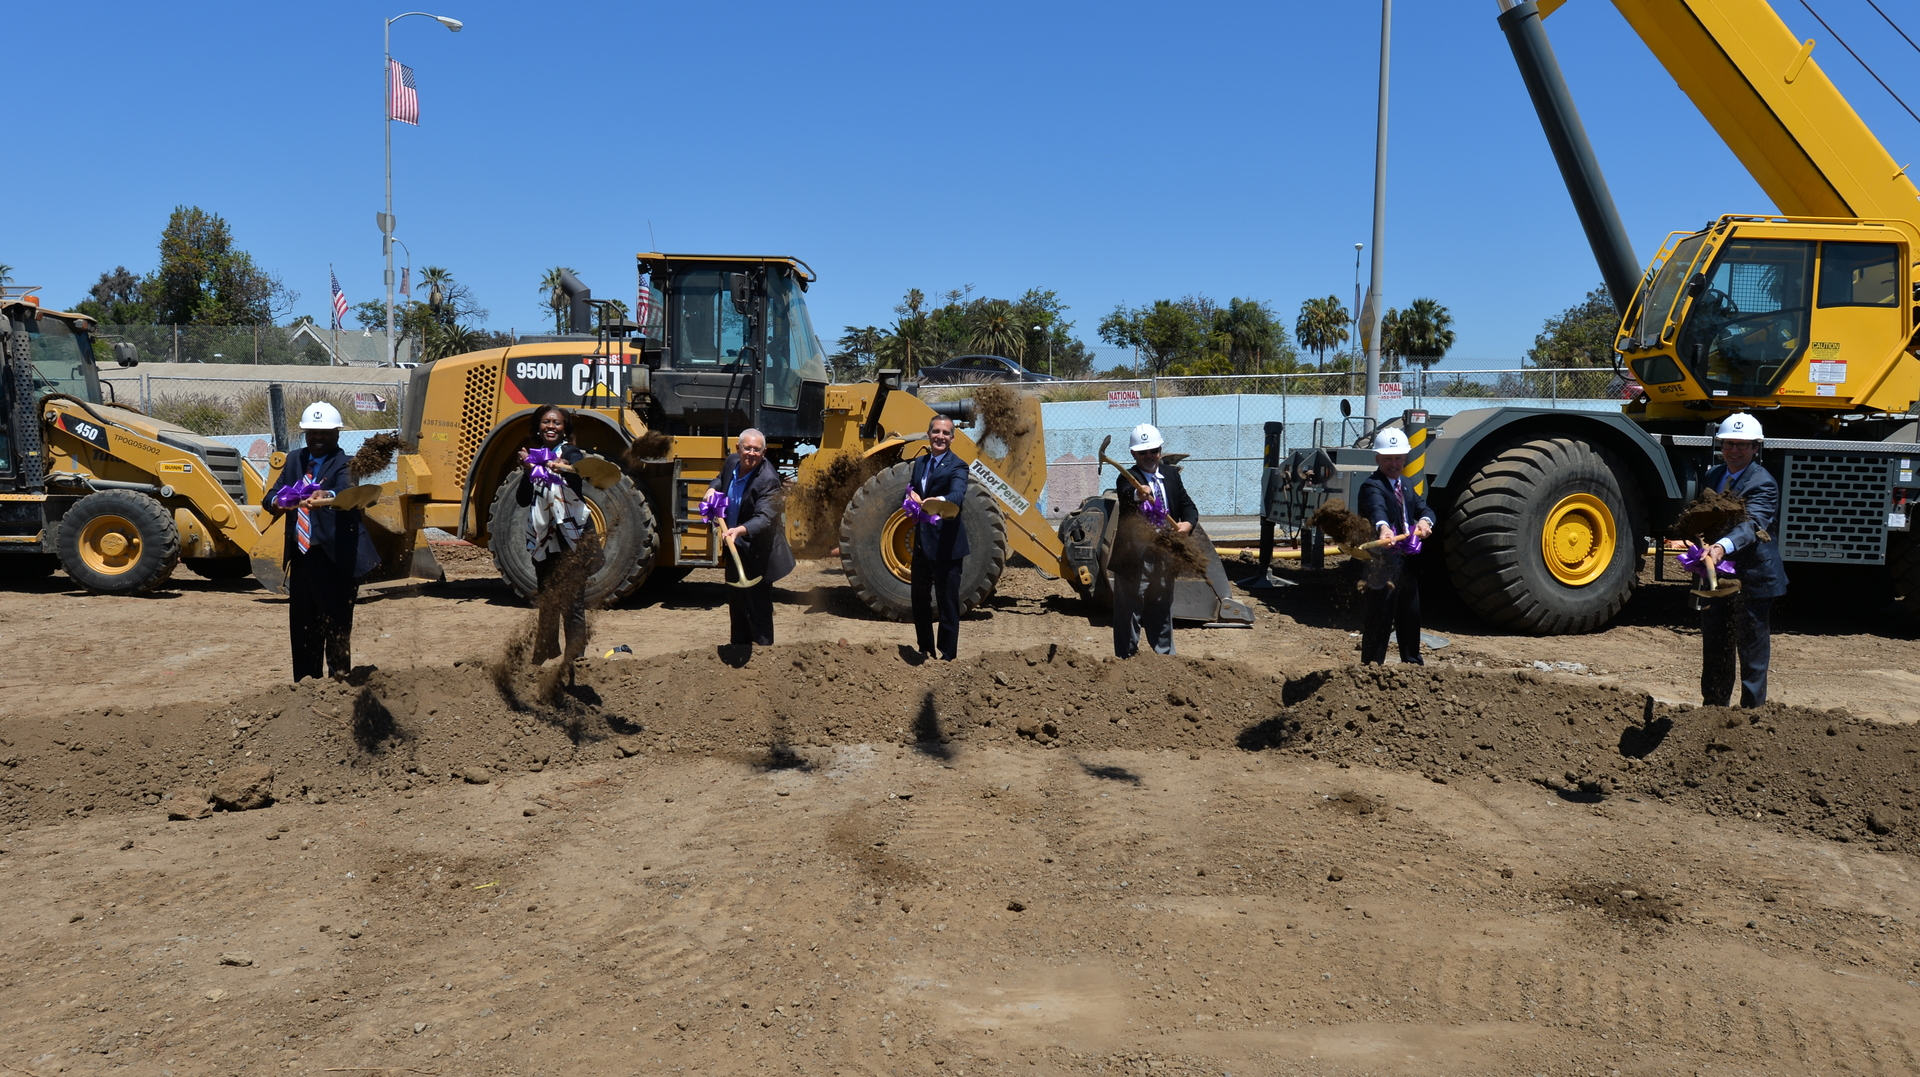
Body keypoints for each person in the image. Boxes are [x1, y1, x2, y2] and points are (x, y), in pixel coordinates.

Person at [265, 402, 363, 682]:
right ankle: (305, 686)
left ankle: (338, 683)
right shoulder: (295, 460)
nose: (318, 438)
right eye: (312, 432)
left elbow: (346, 491)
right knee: (303, 626)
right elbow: (270, 495)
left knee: (335, 624)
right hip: (302, 557)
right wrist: (278, 502)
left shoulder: (346, 464)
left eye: (325, 433)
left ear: (337, 434)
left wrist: (325, 494)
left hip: (334, 559)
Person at [1700, 412, 1787, 707]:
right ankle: (1713, 708)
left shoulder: (1763, 484)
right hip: (1718, 576)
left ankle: (1751, 715)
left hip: (1754, 578)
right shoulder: (1714, 475)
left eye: (1741, 445)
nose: (1733, 450)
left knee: (1751, 650)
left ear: (1755, 448)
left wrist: (1722, 547)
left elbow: (1752, 525)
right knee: (1716, 644)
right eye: (1728, 444)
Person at [516, 404, 597, 666]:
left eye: (557, 423)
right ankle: (542, 656)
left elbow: (577, 472)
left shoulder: (570, 453)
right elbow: (522, 499)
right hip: (545, 539)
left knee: (572, 602)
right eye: (546, 422)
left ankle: (576, 661)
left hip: (573, 539)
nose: (551, 426)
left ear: (565, 429)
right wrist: (528, 471)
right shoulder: (533, 459)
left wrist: (563, 466)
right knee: (548, 599)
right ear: (538, 427)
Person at [1111, 422, 1198, 658]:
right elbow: (1127, 495)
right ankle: (1126, 660)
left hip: (1166, 552)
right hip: (1135, 556)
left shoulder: (1171, 475)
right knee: (1129, 611)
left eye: (1153, 451)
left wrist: (1187, 525)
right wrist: (1140, 494)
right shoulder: (1128, 478)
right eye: (1143, 452)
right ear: (1133, 454)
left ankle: (1165, 660)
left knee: (1161, 607)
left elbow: (1189, 506)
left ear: (1160, 450)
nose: (1149, 456)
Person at [1356, 426, 1435, 666]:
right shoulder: (1372, 486)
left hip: (1406, 562)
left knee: (1410, 615)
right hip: (1380, 564)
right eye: (1388, 458)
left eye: (1398, 458)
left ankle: (1412, 663)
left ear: (1405, 458)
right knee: (1380, 617)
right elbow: (1377, 509)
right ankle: (1371, 668)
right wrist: (1383, 528)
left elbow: (1424, 508)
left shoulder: (1407, 484)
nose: (1393, 463)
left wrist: (1424, 520)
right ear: (1378, 458)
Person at [710, 428, 795, 648]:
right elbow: (721, 479)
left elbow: (765, 517)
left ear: (764, 452)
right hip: (734, 546)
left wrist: (740, 530)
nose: (751, 453)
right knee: (737, 602)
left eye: (757, 450)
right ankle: (738, 644)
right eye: (747, 448)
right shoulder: (731, 462)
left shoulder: (767, 479)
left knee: (758, 605)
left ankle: (763, 652)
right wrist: (712, 489)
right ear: (738, 448)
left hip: (758, 550)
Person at [907, 415, 971, 661]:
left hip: (947, 546)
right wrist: (910, 495)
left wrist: (937, 502)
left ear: (952, 438)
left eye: (945, 433)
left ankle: (947, 655)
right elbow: (913, 487)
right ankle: (925, 648)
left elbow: (957, 495)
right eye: (936, 432)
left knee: (947, 604)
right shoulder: (920, 463)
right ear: (928, 434)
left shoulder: (958, 466)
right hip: (922, 544)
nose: (940, 437)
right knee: (920, 600)